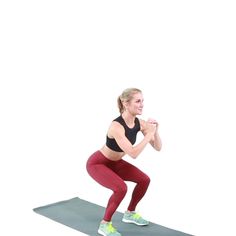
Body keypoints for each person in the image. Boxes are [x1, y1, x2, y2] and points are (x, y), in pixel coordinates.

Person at [86, 88, 162, 236]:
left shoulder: (140, 123)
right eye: (138, 101)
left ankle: (130, 213)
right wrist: (148, 135)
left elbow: (158, 147)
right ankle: (105, 224)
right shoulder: (116, 126)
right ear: (126, 104)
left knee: (144, 180)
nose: (142, 105)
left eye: (142, 101)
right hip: (98, 163)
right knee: (121, 188)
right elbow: (133, 153)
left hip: (116, 163)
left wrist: (156, 131)